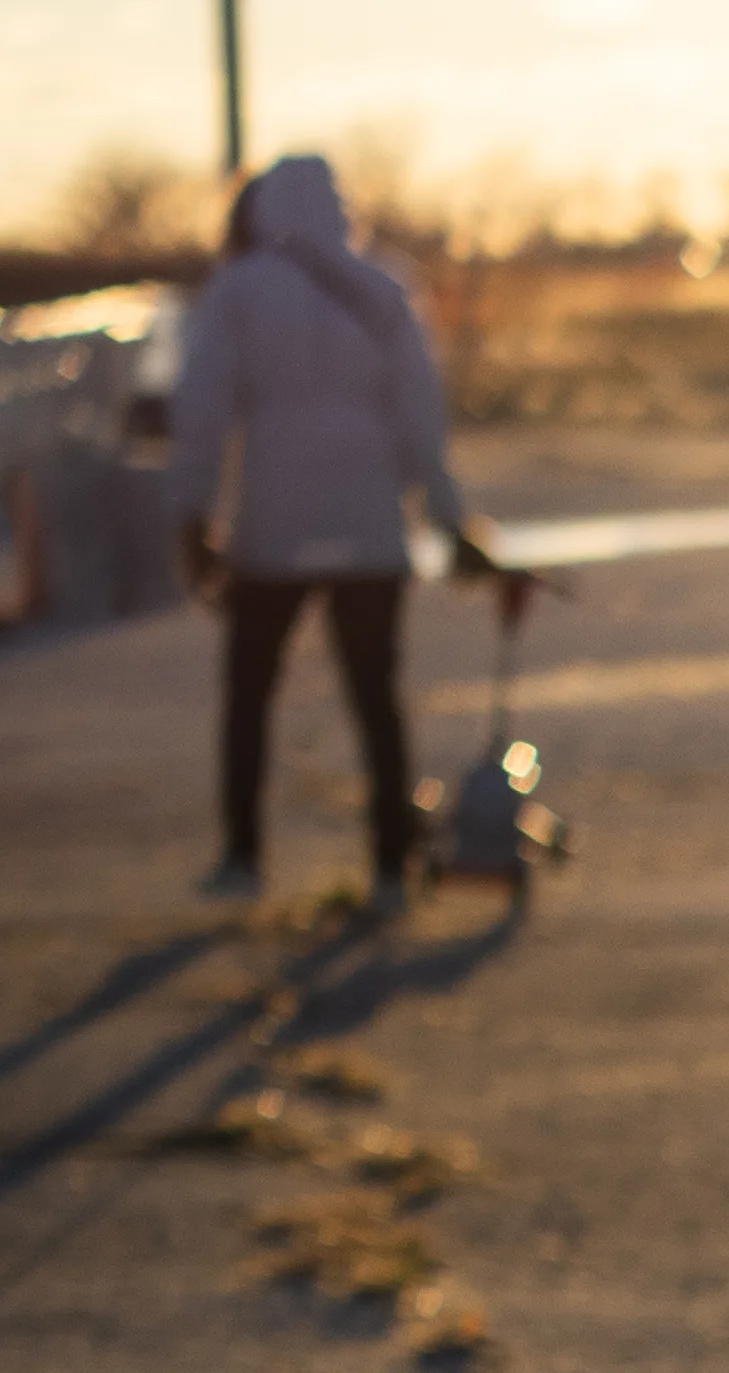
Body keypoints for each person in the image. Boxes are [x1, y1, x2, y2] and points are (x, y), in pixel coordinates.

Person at [167, 151, 500, 905]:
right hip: (370, 526)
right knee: (376, 695)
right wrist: (449, 518)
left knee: (250, 693)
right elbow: (421, 416)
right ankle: (390, 864)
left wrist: (192, 518)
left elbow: (202, 416)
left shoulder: (238, 291)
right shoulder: (385, 288)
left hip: (270, 529)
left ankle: (243, 859)